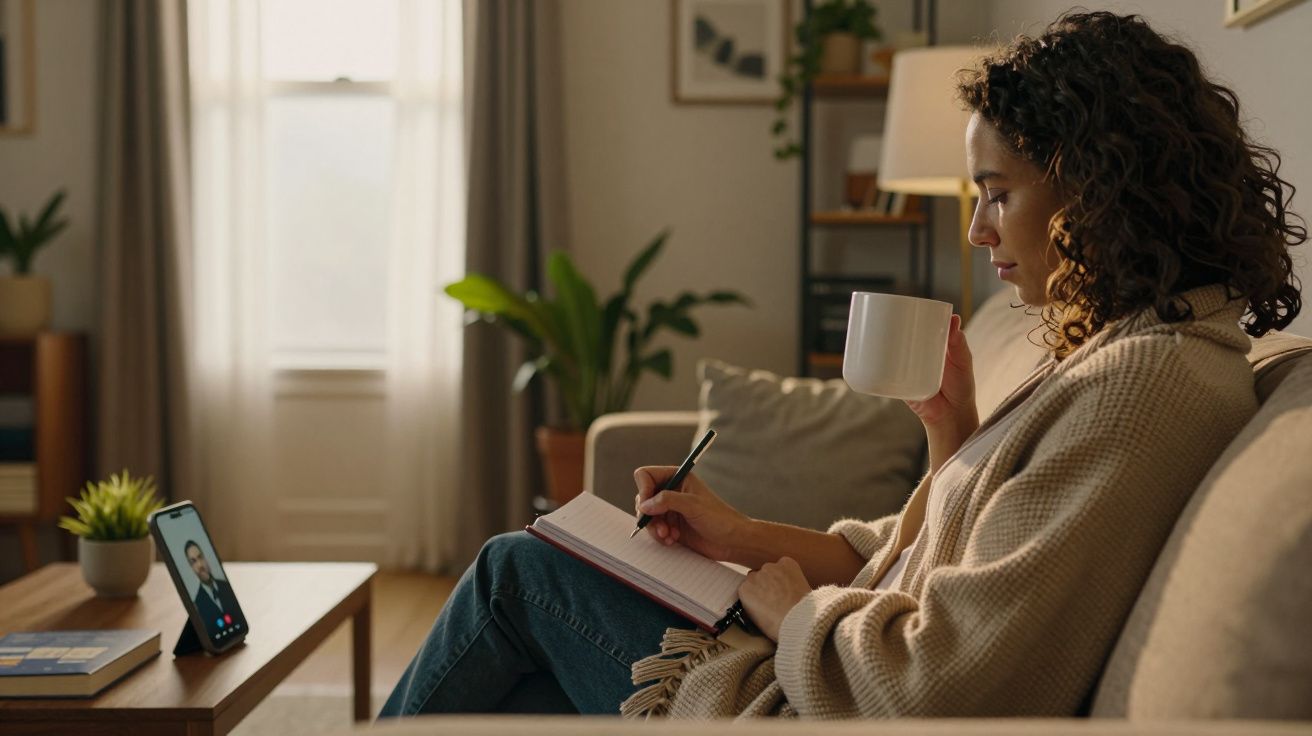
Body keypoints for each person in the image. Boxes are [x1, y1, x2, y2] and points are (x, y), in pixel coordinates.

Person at [379, 11, 1304, 719]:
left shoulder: (1143, 385)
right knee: (521, 693)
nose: (978, 229)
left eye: (997, 194)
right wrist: (933, 444)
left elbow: (937, 682)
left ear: (1094, 188)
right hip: (817, 674)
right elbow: (950, 567)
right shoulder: (1135, 350)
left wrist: (789, 613)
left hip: (806, 703)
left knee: (514, 576)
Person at [186, 539, 236, 636]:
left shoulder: (226, 586)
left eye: (200, 557)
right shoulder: (197, 605)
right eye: (193, 562)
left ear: (205, 558)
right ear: (191, 567)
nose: (200, 565)